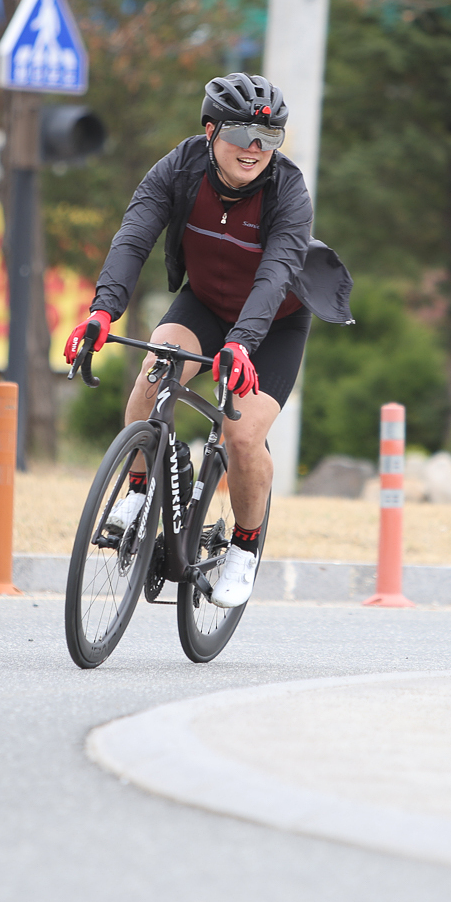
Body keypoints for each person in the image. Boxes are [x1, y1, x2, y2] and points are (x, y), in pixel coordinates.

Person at [63, 73, 352, 611]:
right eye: (242, 133)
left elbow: (276, 275)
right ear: (210, 129)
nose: (254, 148)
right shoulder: (178, 169)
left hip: (272, 325)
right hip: (205, 304)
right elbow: (133, 237)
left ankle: (244, 547)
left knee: (241, 436)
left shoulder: (288, 191)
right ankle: (139, 491)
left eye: (269, 137)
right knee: (155, 372)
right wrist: (103, 310)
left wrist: (241, 343)